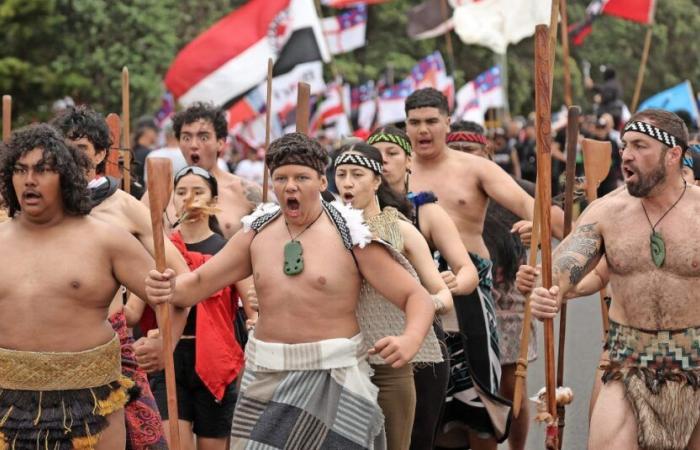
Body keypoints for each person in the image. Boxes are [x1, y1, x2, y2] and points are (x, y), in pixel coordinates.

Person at [145, 132, 436, 450]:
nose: (291, 186)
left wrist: (410, 339)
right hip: (267, 376)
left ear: (323, 183)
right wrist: (168, 287)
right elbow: (196, 286)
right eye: (281, 178)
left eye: (302, 177)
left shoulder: (350, 233)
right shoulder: (256, 232)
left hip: (333, 376)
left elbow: (415, 296)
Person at [528, 109, 700, 449]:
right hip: (629, 364)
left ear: (673, 154)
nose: (627, 155)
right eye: (624, 146)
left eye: (640, 145)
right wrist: (549, 292)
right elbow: (564, 267)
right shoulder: (606, 213)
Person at [404, 88, 564, 449]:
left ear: (447, 122)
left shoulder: (476, 168)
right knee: (425, 398)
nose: (423, 130)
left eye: (431, 121)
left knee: (479, 395)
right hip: (414, 291)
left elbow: (530, 204)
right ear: (407, 126)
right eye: (415, 123)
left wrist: (538, 230)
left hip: (472, 291)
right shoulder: (398, 171)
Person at [0, 124, 157, 449]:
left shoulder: (106, 237)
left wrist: (164, 345)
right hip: (8, 402)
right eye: (20, 169)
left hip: (92, 400)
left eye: (42, 170)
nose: (29, 179)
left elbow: (175, 294)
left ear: (65, 177)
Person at [51, 105, 193, 449]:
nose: (71, 157)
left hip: (109, 348)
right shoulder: (39, 207)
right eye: (63, 148)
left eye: (81, 148)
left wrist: (166, 343)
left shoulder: (122, 206)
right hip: (46, 351)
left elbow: (182, 279)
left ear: (101, 154)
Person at [368, 125, 478, 449]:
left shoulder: (422, 212)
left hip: (425, 339)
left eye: (392, 154)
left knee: (418, 439)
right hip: (370, 341)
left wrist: (451, 286)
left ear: (408, 161)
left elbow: (466, 269)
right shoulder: (345, 218)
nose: (384, 161)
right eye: (376, 156)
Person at [334, 142, 450, 450]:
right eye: (341, 174)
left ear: (376, 180)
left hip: (392, 361)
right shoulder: (327, 229)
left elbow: (442, 294)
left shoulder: (397, 229)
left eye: (357, 174)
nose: (347, 182)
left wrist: (422, 306)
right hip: (339, 361)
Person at [133, 166, 243, 450]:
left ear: (214, 200)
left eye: (198, 192)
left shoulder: (230, 250)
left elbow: (252, 306)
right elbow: (133, 310)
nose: (189, 199)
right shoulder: (160, 249)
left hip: (214, 359)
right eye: (181, 192)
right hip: (170, 357)